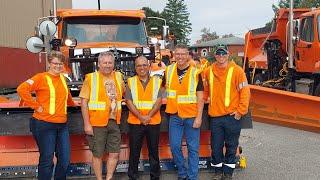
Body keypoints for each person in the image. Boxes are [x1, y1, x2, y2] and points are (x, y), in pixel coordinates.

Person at [17, 51, 75, 180]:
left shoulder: (63, 78)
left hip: (62, 125)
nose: (58, 66)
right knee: (47, 160)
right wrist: (35, 105)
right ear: (49, 63)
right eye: (55, 63)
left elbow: (66, 96)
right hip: (44, 124)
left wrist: (74, 103)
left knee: (65, 159)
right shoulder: (40, 77)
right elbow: (21, 89)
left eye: (60, 64)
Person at [203, 45, 250, 180]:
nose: (221, 56)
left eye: (223, 54)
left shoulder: (237, 71)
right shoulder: (208, 71)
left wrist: (240, 111)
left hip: (232, 117)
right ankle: (218, 172)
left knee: (231, 146)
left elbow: (245, 92)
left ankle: (228, 173)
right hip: (216, 117)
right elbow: (205, 91)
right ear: (215, 56)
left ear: (228, 55)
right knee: (216, 147)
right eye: (219, 54)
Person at [79, 51, 125, 180]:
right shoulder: (91, 78)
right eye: (104, 62)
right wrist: (87, 124)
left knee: (114, 153)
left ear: (114, 64)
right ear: (98, 64)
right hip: (97, 123)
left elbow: (123, 93)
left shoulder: (119, 77)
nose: (107, 65)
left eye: (110, 62)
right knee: (98, 154)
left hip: (114, 121)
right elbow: (84, 102)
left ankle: (109, 178)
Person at [164, 44, 204, 180]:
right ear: (174, 55)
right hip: (175, 116)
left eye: (183, 54)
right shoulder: (168, 71)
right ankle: (182, 173)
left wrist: (199, 118)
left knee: (193, 149)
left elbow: (200, 98)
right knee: (175, 147)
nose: (180, 56)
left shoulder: (195, 72)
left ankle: (192, 177)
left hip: (191, 116)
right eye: (178, 54)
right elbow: (162, 89)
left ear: (188, 55)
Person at [126, 56, 163, 180]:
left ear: (148, 66)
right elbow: (128, 101)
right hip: (136, 122)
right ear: (135, 68)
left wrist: (149, 116)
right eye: (139, 65)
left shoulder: (158, 81)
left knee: (154, 152)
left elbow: (159, 101)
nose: (142, 68)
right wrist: (141, 116)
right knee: (134, 152)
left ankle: (155, 177)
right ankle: (133, 176)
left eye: (144, 65)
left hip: (153, 121)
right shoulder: (130, 82)